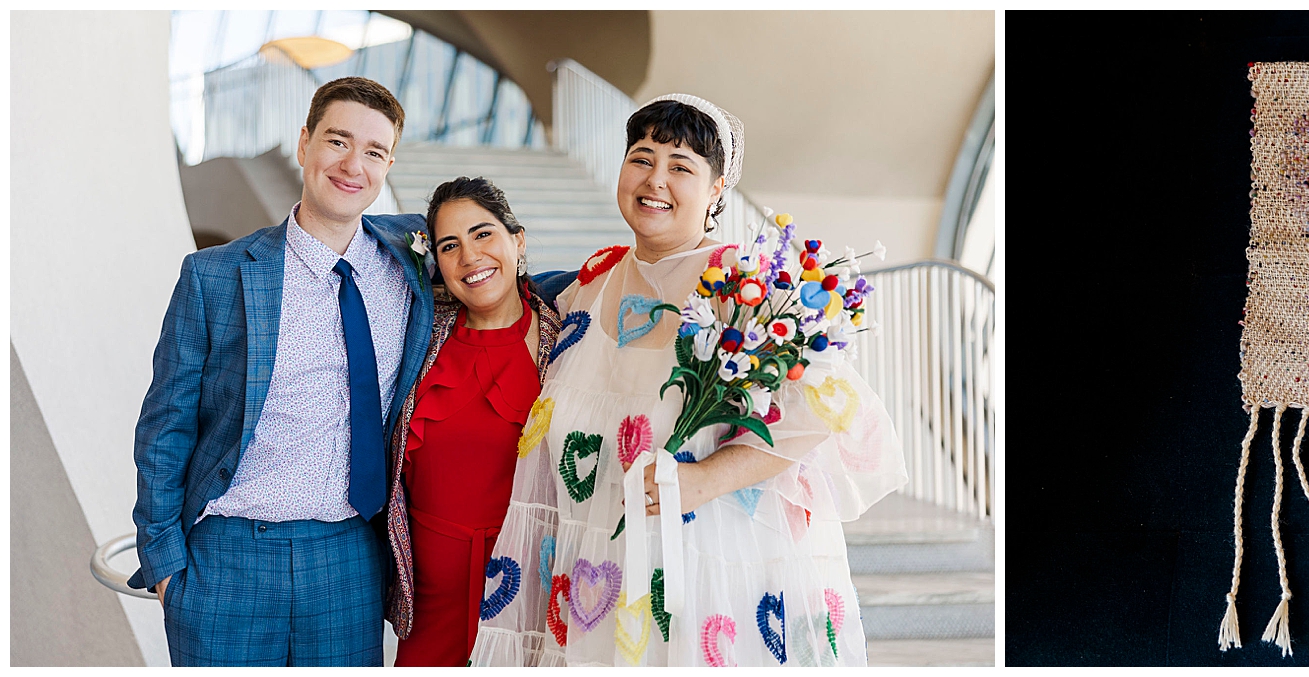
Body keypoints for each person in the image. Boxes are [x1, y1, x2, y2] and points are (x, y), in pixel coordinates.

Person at [468, 94, 906, 666]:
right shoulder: (588, 287)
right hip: (592, 573)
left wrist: (705, 481)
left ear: (717, 188)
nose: (655, 180)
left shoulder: (748, 290)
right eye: (642, 158)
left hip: (711, 575)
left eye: (681, 166)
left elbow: (828, 409)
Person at [130, 76, 432, 666]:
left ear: (390, 163)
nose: (353, 165)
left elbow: (497, 270)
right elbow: (164, 430)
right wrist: (168, 568)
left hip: (347, 557)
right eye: (338, 141)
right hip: (228, 556)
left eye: (373, 152)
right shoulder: (213, 276)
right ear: (304, 144)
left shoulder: (411, 263)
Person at [382, 178, 564, 665]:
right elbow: (367, 232)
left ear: (517, 240)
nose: (469, 257)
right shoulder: (419, 331)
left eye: (483, 235)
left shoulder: (564, 336)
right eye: (449, 245)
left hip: (525, 590)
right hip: (429, 602)